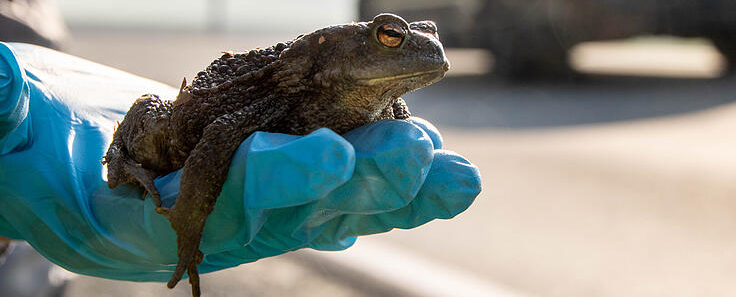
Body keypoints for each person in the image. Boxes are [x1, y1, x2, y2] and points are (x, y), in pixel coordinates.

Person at [0, 41, 481, 284]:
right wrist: (188, 225)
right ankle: (127, 163)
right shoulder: (299, 83)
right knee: (158, 134)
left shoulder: (372, 98)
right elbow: (223, 132)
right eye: (391, 37)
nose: (421, 47)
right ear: (345, 52)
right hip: (193, 122)